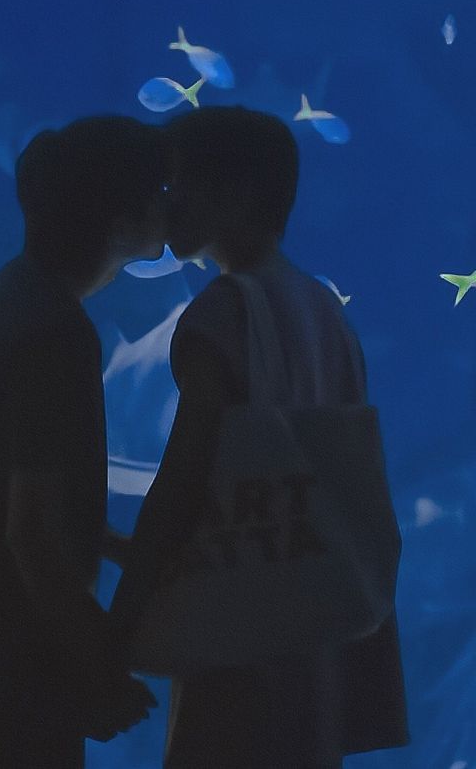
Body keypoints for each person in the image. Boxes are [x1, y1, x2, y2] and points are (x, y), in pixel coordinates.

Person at [108, 104, 410, 769]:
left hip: (238, 623)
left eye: (175, 182)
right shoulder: (325, 311)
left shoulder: (222, 312)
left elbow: (185, 478)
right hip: (315, 629)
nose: (163, 202)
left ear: (234, 193)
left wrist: (121, 620)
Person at [0, 114, 165, 768]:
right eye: (158, 191)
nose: (172, 203)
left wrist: (123, 548)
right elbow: (30, 536)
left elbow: (13, 498)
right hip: (10, 676)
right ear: (117, 220)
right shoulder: (54, 331)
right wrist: (98, 667)